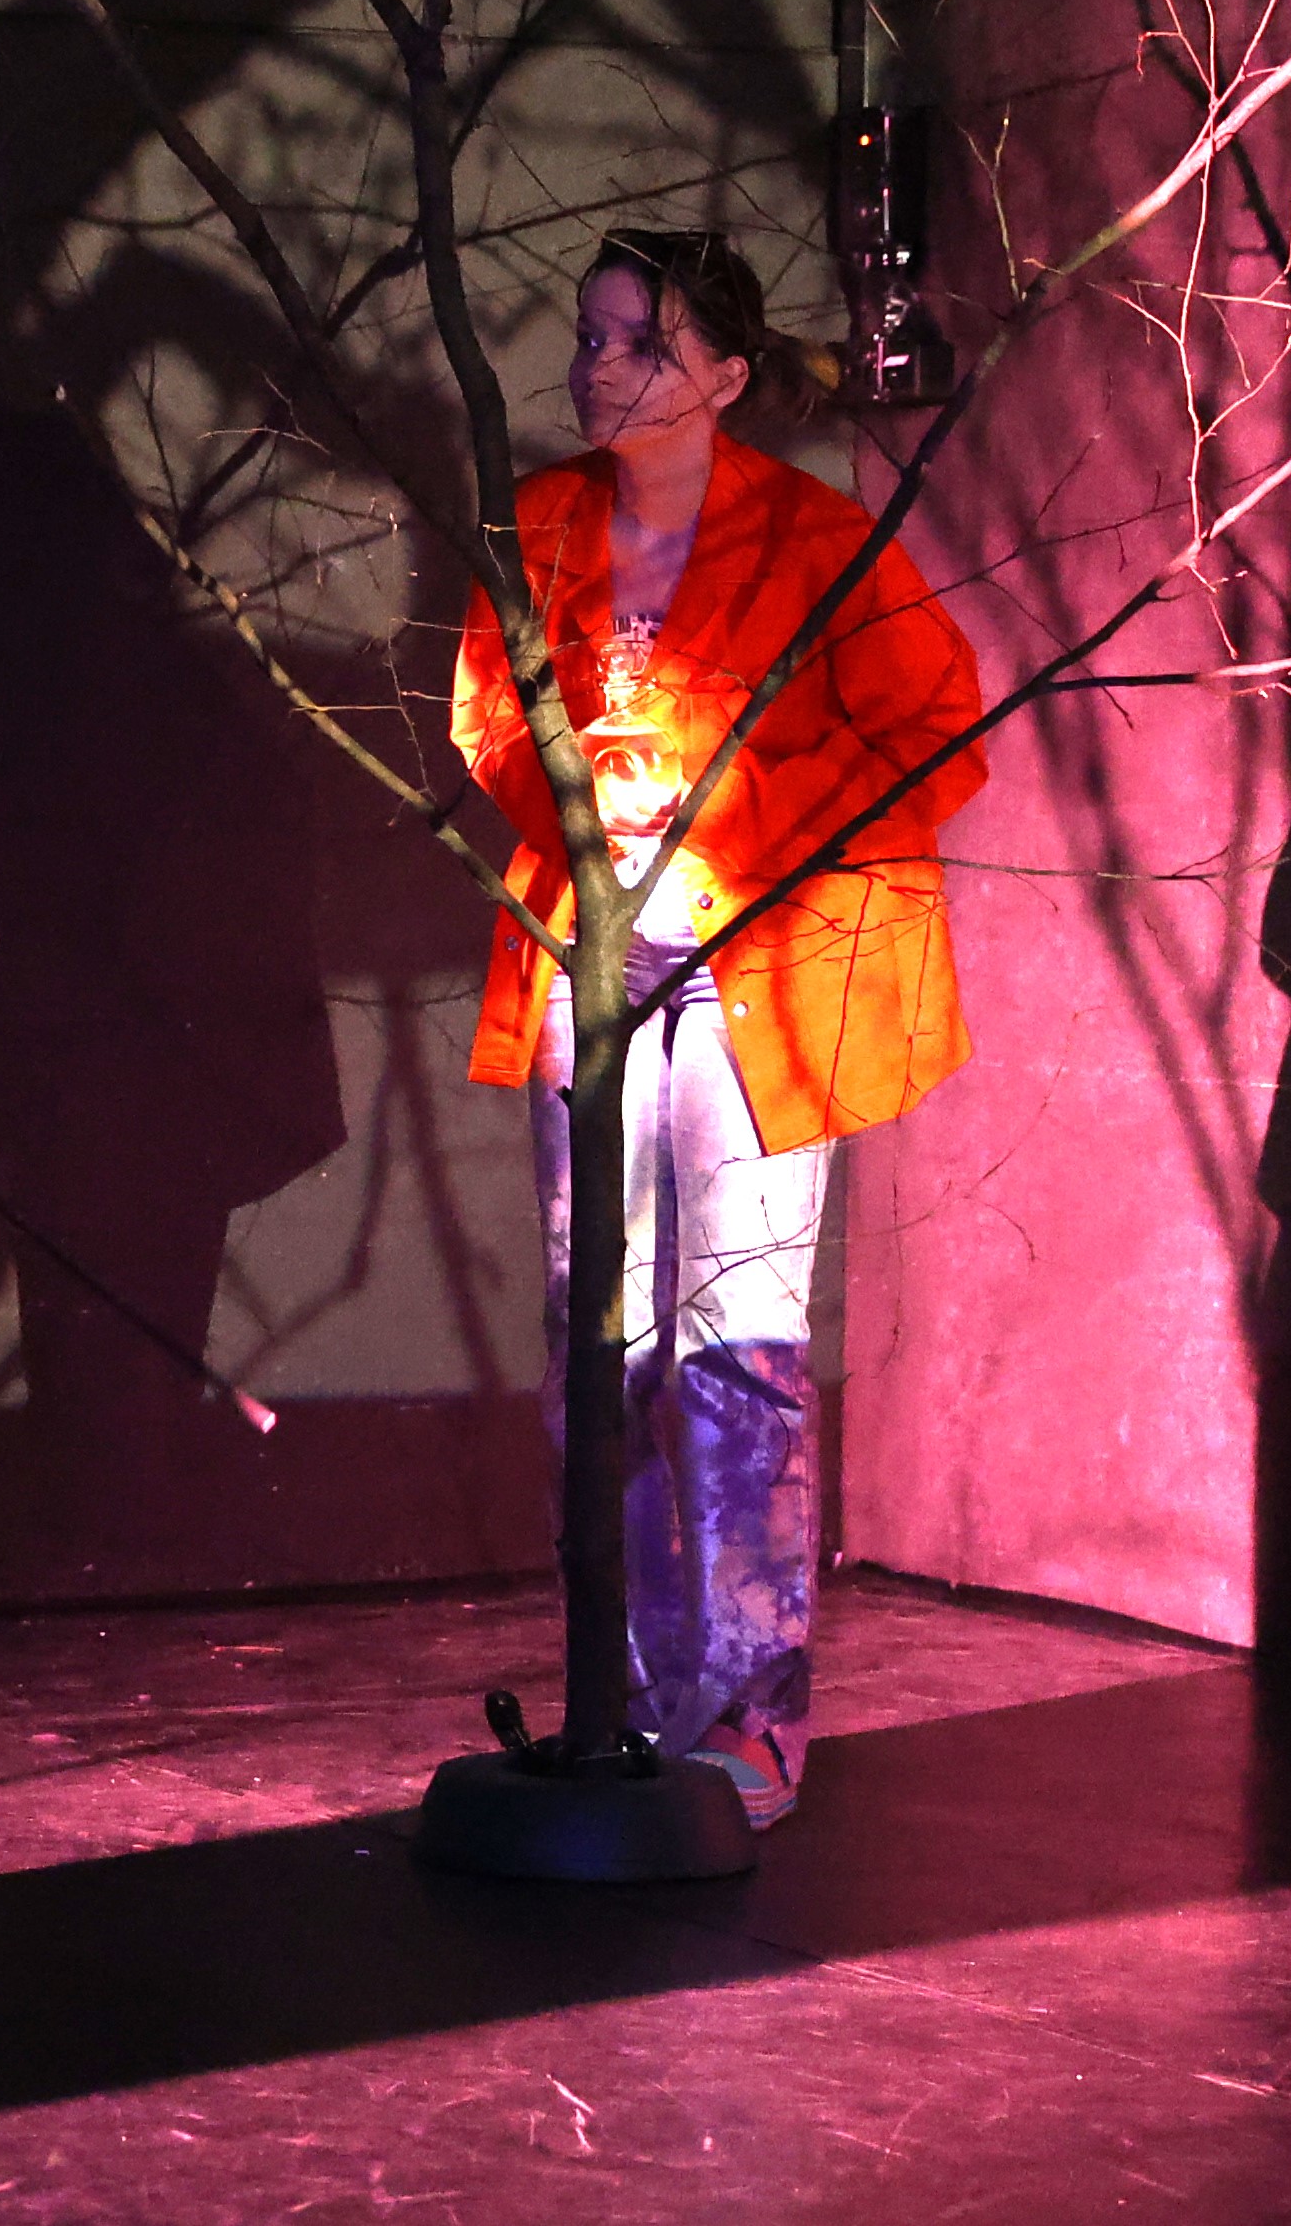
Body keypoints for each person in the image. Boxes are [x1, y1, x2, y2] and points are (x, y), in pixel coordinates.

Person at [452, 230, 984, 1830]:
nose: (596, 367)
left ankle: (746, 1712)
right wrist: (577, 808)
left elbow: (935, 732)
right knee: (595, 1335)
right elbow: (488, 716)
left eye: (639, 343)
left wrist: (736, 815)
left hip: (765, 969)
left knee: (736, 1342)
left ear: (725, 376)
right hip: (591, 964)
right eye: (589, 335)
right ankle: (619, 1690)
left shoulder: (814, 539)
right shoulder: (540, 524)